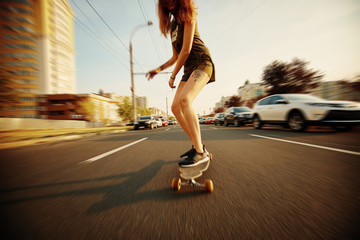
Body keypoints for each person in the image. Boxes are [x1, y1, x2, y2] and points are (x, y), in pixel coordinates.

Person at [146, 0, 215, 167]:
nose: (168, 1)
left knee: (184, 100)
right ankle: (198, 146)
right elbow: (175, 57)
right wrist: (158, 69)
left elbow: (186, 50)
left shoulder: (188, 15)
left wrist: (172, 76)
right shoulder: (172, 27)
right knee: (175, 108)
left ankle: (199, 152)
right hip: (188, 70)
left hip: (202, 63)